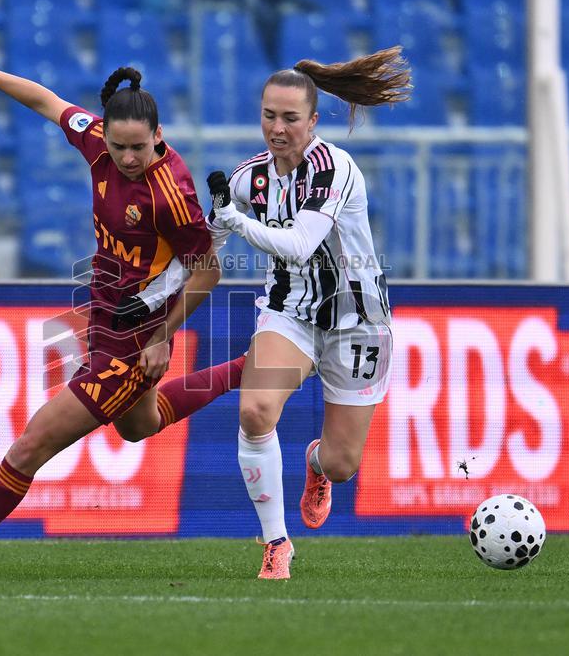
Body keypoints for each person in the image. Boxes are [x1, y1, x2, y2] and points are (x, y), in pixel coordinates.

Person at [0, 44, 245, 575]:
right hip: (102, 315)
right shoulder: (97, 143)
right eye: (118, 144)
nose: (127, 157)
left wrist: (162, 336)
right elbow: (44, 99)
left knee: (31, 444)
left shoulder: (172, 194)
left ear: (157, 135)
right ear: (103, 131)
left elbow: (209, 270)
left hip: (136, 336)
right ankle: (248, 367)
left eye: (138, 147)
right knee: (137, 426)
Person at [133, 48, 410, 578]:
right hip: (290, 316)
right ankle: (276, 543)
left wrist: (235, 219)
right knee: (256, 410)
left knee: (341, 463)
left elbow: (300, 245)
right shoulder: (248, 178)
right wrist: (151, 299)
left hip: (358, 322)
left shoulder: (336, 168)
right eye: (268, 115)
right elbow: (200, 252)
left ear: (313, 122)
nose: (277, 129)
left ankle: (315, 465)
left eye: (290, 118)